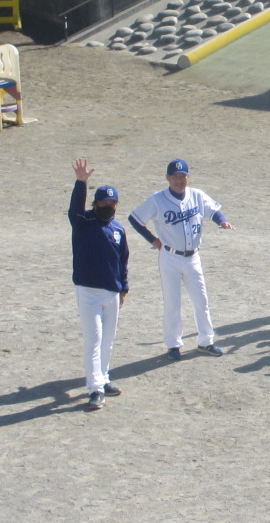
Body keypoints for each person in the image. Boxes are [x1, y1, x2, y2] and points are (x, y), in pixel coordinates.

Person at [128, 158, 235, 359]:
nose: (179, 180)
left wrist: (223, 221)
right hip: (170, 257)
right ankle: (173, 345)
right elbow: (135, 218)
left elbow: (213, 211)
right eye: (175, 176)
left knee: (201, 300)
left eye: (182, 176)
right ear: (168, 178)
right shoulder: (157, 199)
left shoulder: (197, 195)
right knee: (173, 302)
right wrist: (152, 239)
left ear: (188, 176)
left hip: (193, 257)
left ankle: (206, 342)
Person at [69, 158, 129, 412]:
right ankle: (94, 388)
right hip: (89, 292)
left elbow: (123, 259)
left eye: (111, 203)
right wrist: (81, 183)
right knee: (93, 340)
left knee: (108, 340)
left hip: (112, 292)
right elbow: (74, 210)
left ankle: (104, 378)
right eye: (103, 202)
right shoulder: (84, 223)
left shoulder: (118, 229)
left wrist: (123, 287)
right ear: (95, 204)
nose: (107, 206)